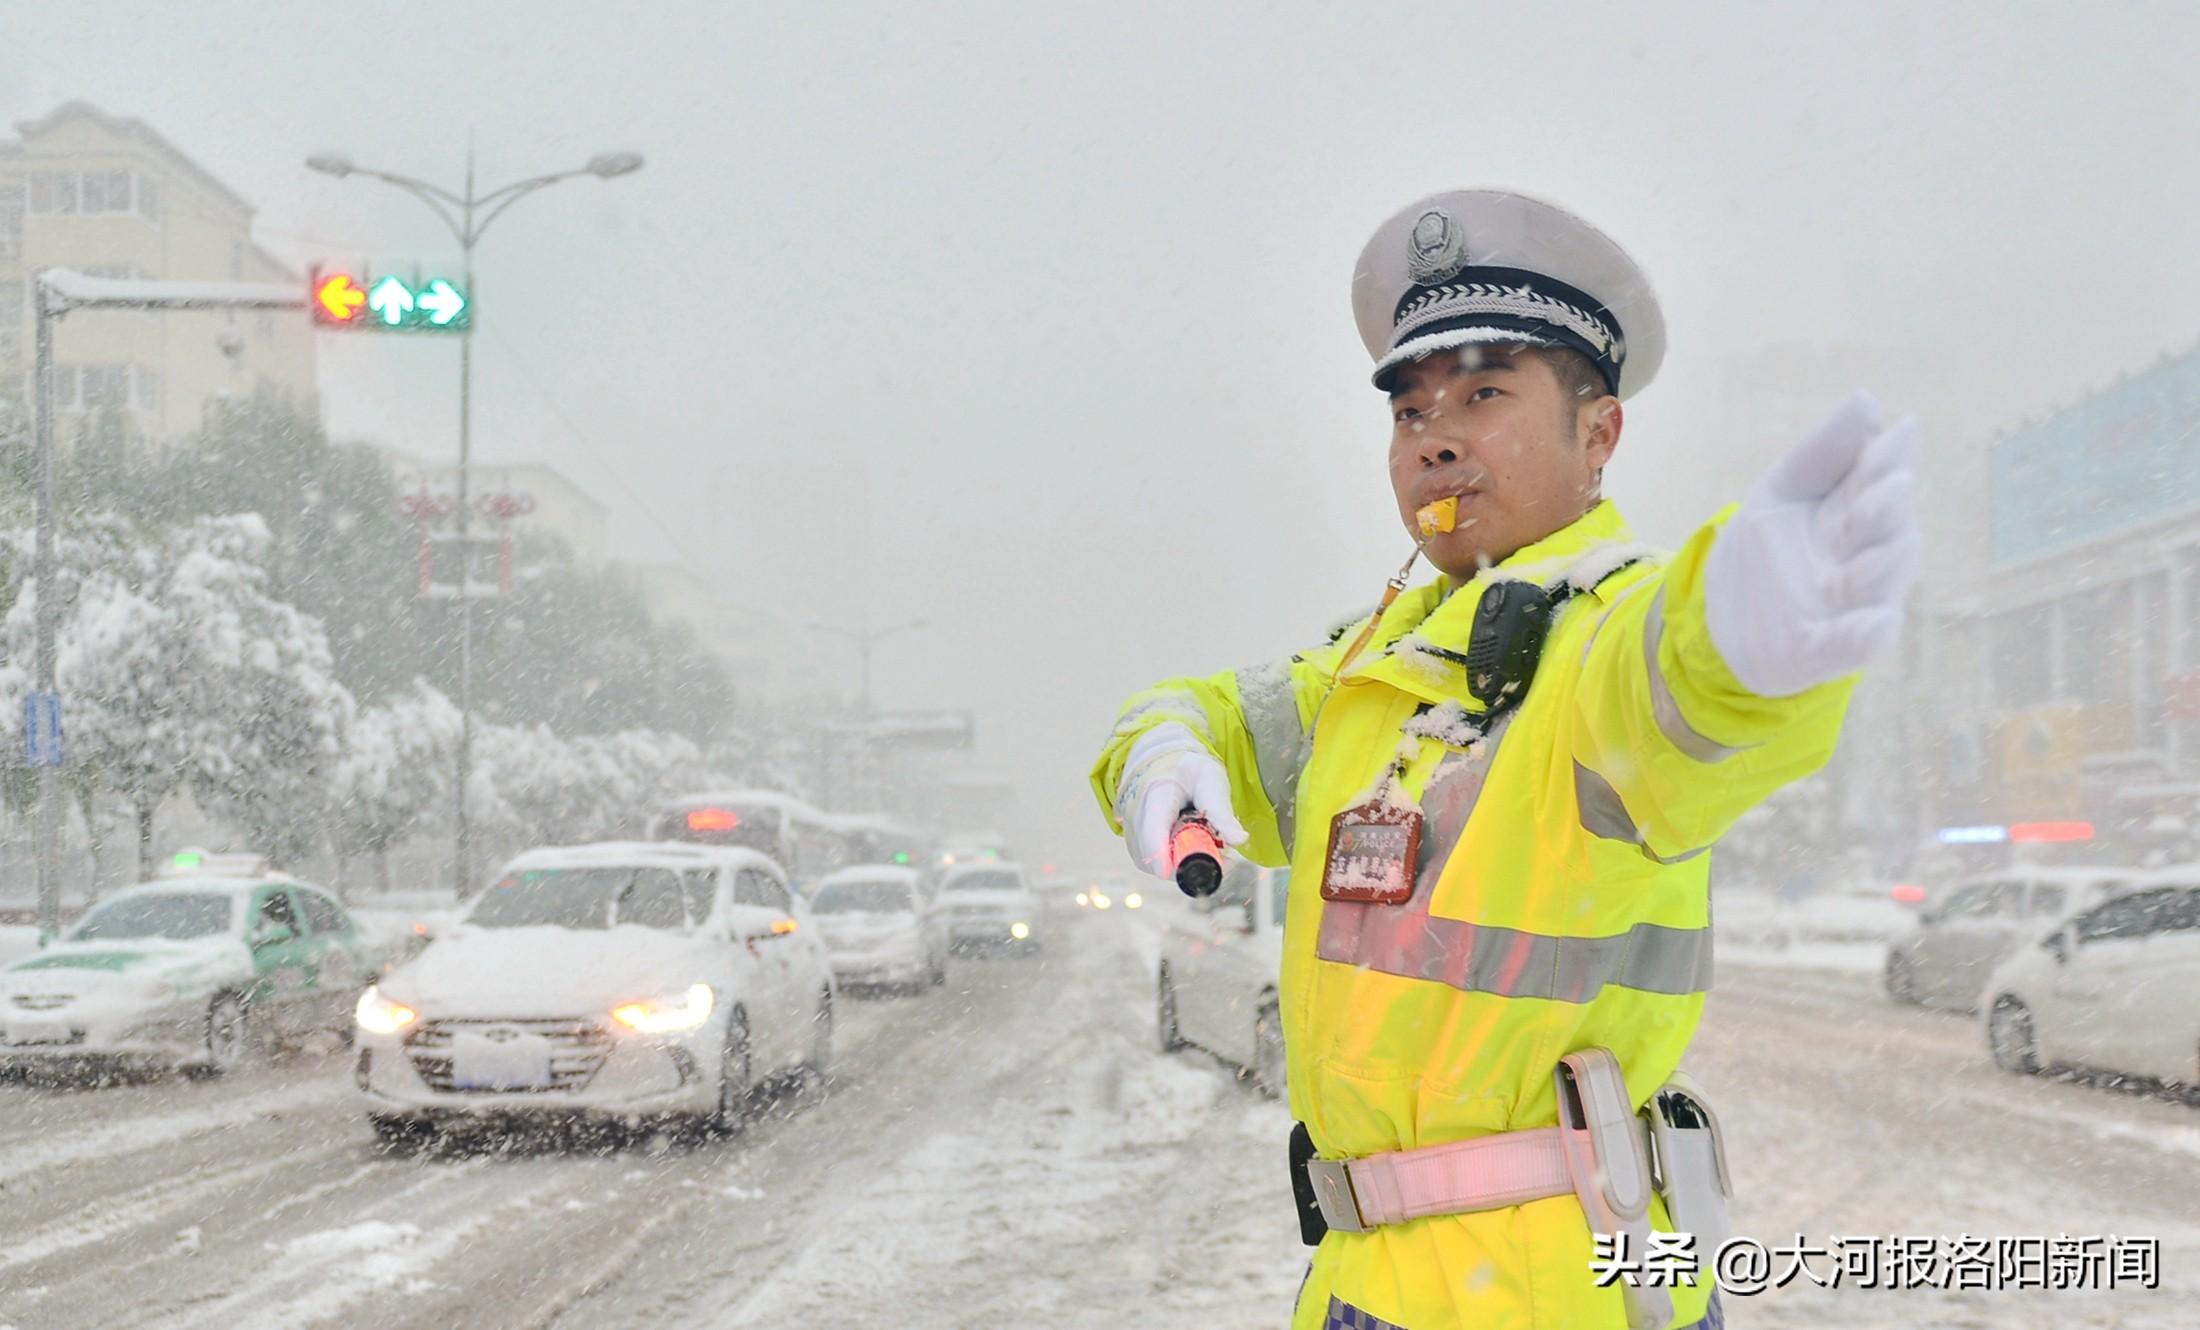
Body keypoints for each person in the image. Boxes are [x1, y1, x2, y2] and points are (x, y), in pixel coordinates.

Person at [1090, 188, 1918, 1330]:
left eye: (1483, 393)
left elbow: (1673, 688)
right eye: (1410, 408)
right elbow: (1212, 712)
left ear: (1598, 432)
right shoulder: (1384, 662)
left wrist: (1738, 627)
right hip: (1364, 1277)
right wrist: (1159, 746)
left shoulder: (1597, 640)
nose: (1433, 435)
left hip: (1547, 1290)